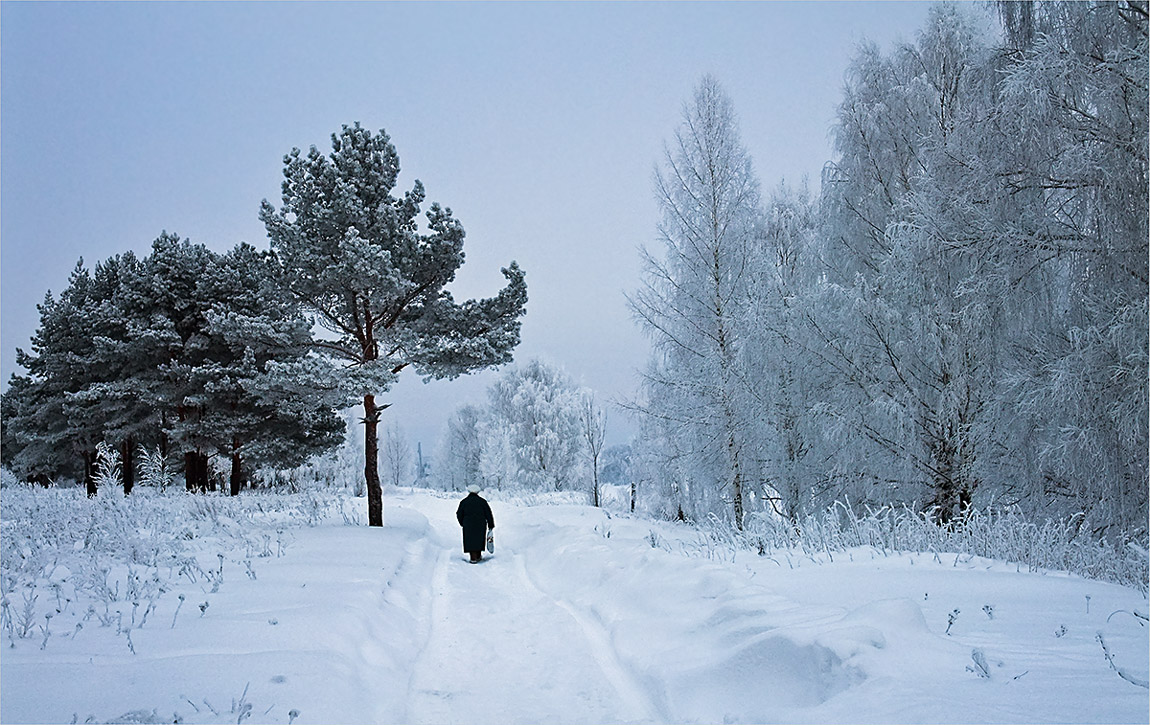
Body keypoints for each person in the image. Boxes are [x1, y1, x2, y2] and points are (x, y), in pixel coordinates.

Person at [456, 484, 495, 563]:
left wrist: (462, 523)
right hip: (480, 524)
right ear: (478, 492)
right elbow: (488, 513)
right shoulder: (482, 502)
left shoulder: (464, 502)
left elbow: (459, 513)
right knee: (478, 539)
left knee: (470, 540)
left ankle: (472, 557)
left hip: (468, 524)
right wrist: (491, 524)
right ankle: (478, 555)